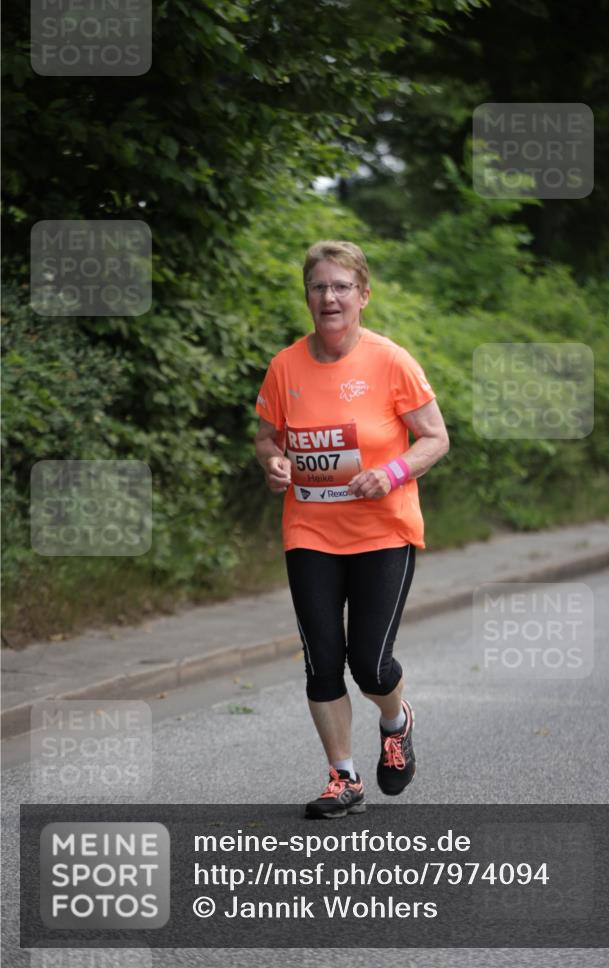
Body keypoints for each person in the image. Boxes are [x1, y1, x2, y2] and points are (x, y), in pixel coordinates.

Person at [255, 240, 449, 818]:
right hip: (310, 532)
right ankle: (344, 778)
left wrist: (390, 472)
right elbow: (268, 437)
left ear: (363, 295)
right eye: (319, 286)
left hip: (382, 532)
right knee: (321, 659)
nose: (330, 296)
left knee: (369, 662)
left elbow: (435, 438)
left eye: (342, 286)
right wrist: (273, 463)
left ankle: (396, 719)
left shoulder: (391, 361)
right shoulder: (285, 366)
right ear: (308, 296)